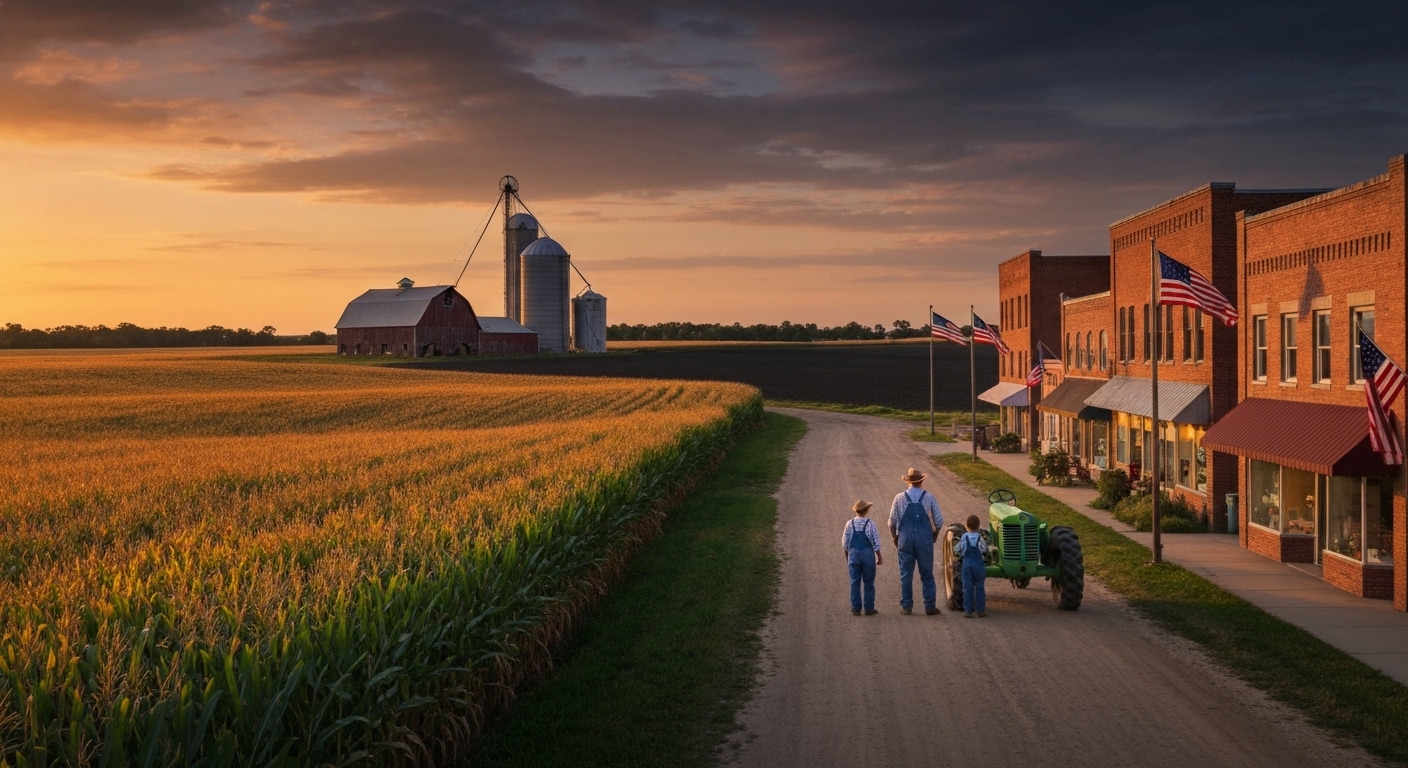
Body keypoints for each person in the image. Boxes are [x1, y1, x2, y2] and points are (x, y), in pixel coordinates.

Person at [888, 467, 944, 615]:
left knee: (906, 574)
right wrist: (935, 535)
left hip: (905, 540)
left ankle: (907, 607)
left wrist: (895, 537)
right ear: (921, 482)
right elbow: (939, 520)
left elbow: (892, 523)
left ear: (908, 482)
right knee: (926, 574)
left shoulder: (899, 498)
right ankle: (929, 606)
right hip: (924, 539)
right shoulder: (929, 497)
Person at [842, 500, 883, 616]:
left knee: (854, 582)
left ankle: (856, 608)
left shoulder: (849, 524)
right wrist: (879, 556)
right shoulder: (870, 523)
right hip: (867, 555)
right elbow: (876, 542)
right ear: (866, 511)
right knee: (869, 582)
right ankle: (869, 608)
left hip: (853, 554)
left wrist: (847, 556)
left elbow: (845, 543)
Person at [953, 514, 989, 618]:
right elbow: (984, 549)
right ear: (978, 526)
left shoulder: (964, 537)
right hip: (978, 564)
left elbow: (957, 549)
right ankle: (980, 611)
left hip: (967, 564)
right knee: (980, 587)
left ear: (967, 526)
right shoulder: (980, 537)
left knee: (967, 588)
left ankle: (968, 611)